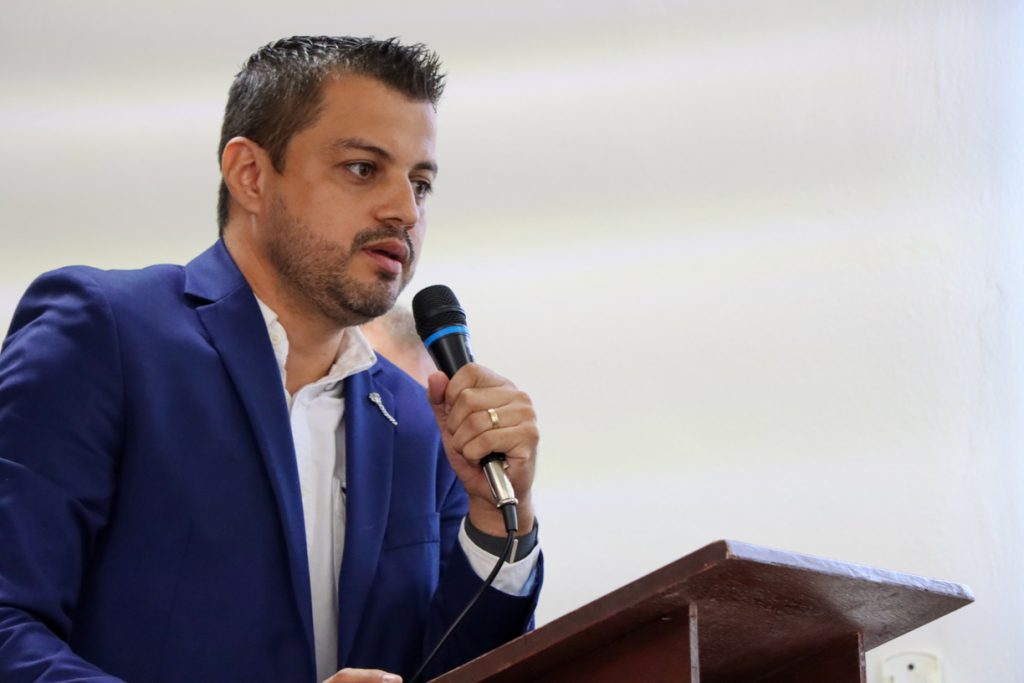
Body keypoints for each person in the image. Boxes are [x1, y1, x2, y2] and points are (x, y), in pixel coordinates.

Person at [0, 36, 541, 683]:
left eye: (420, 184)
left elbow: (452, 667)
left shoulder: (424, 424)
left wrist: (498, 519)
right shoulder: (109, 332)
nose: (404, 211)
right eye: (362, 168)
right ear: (250, 174)